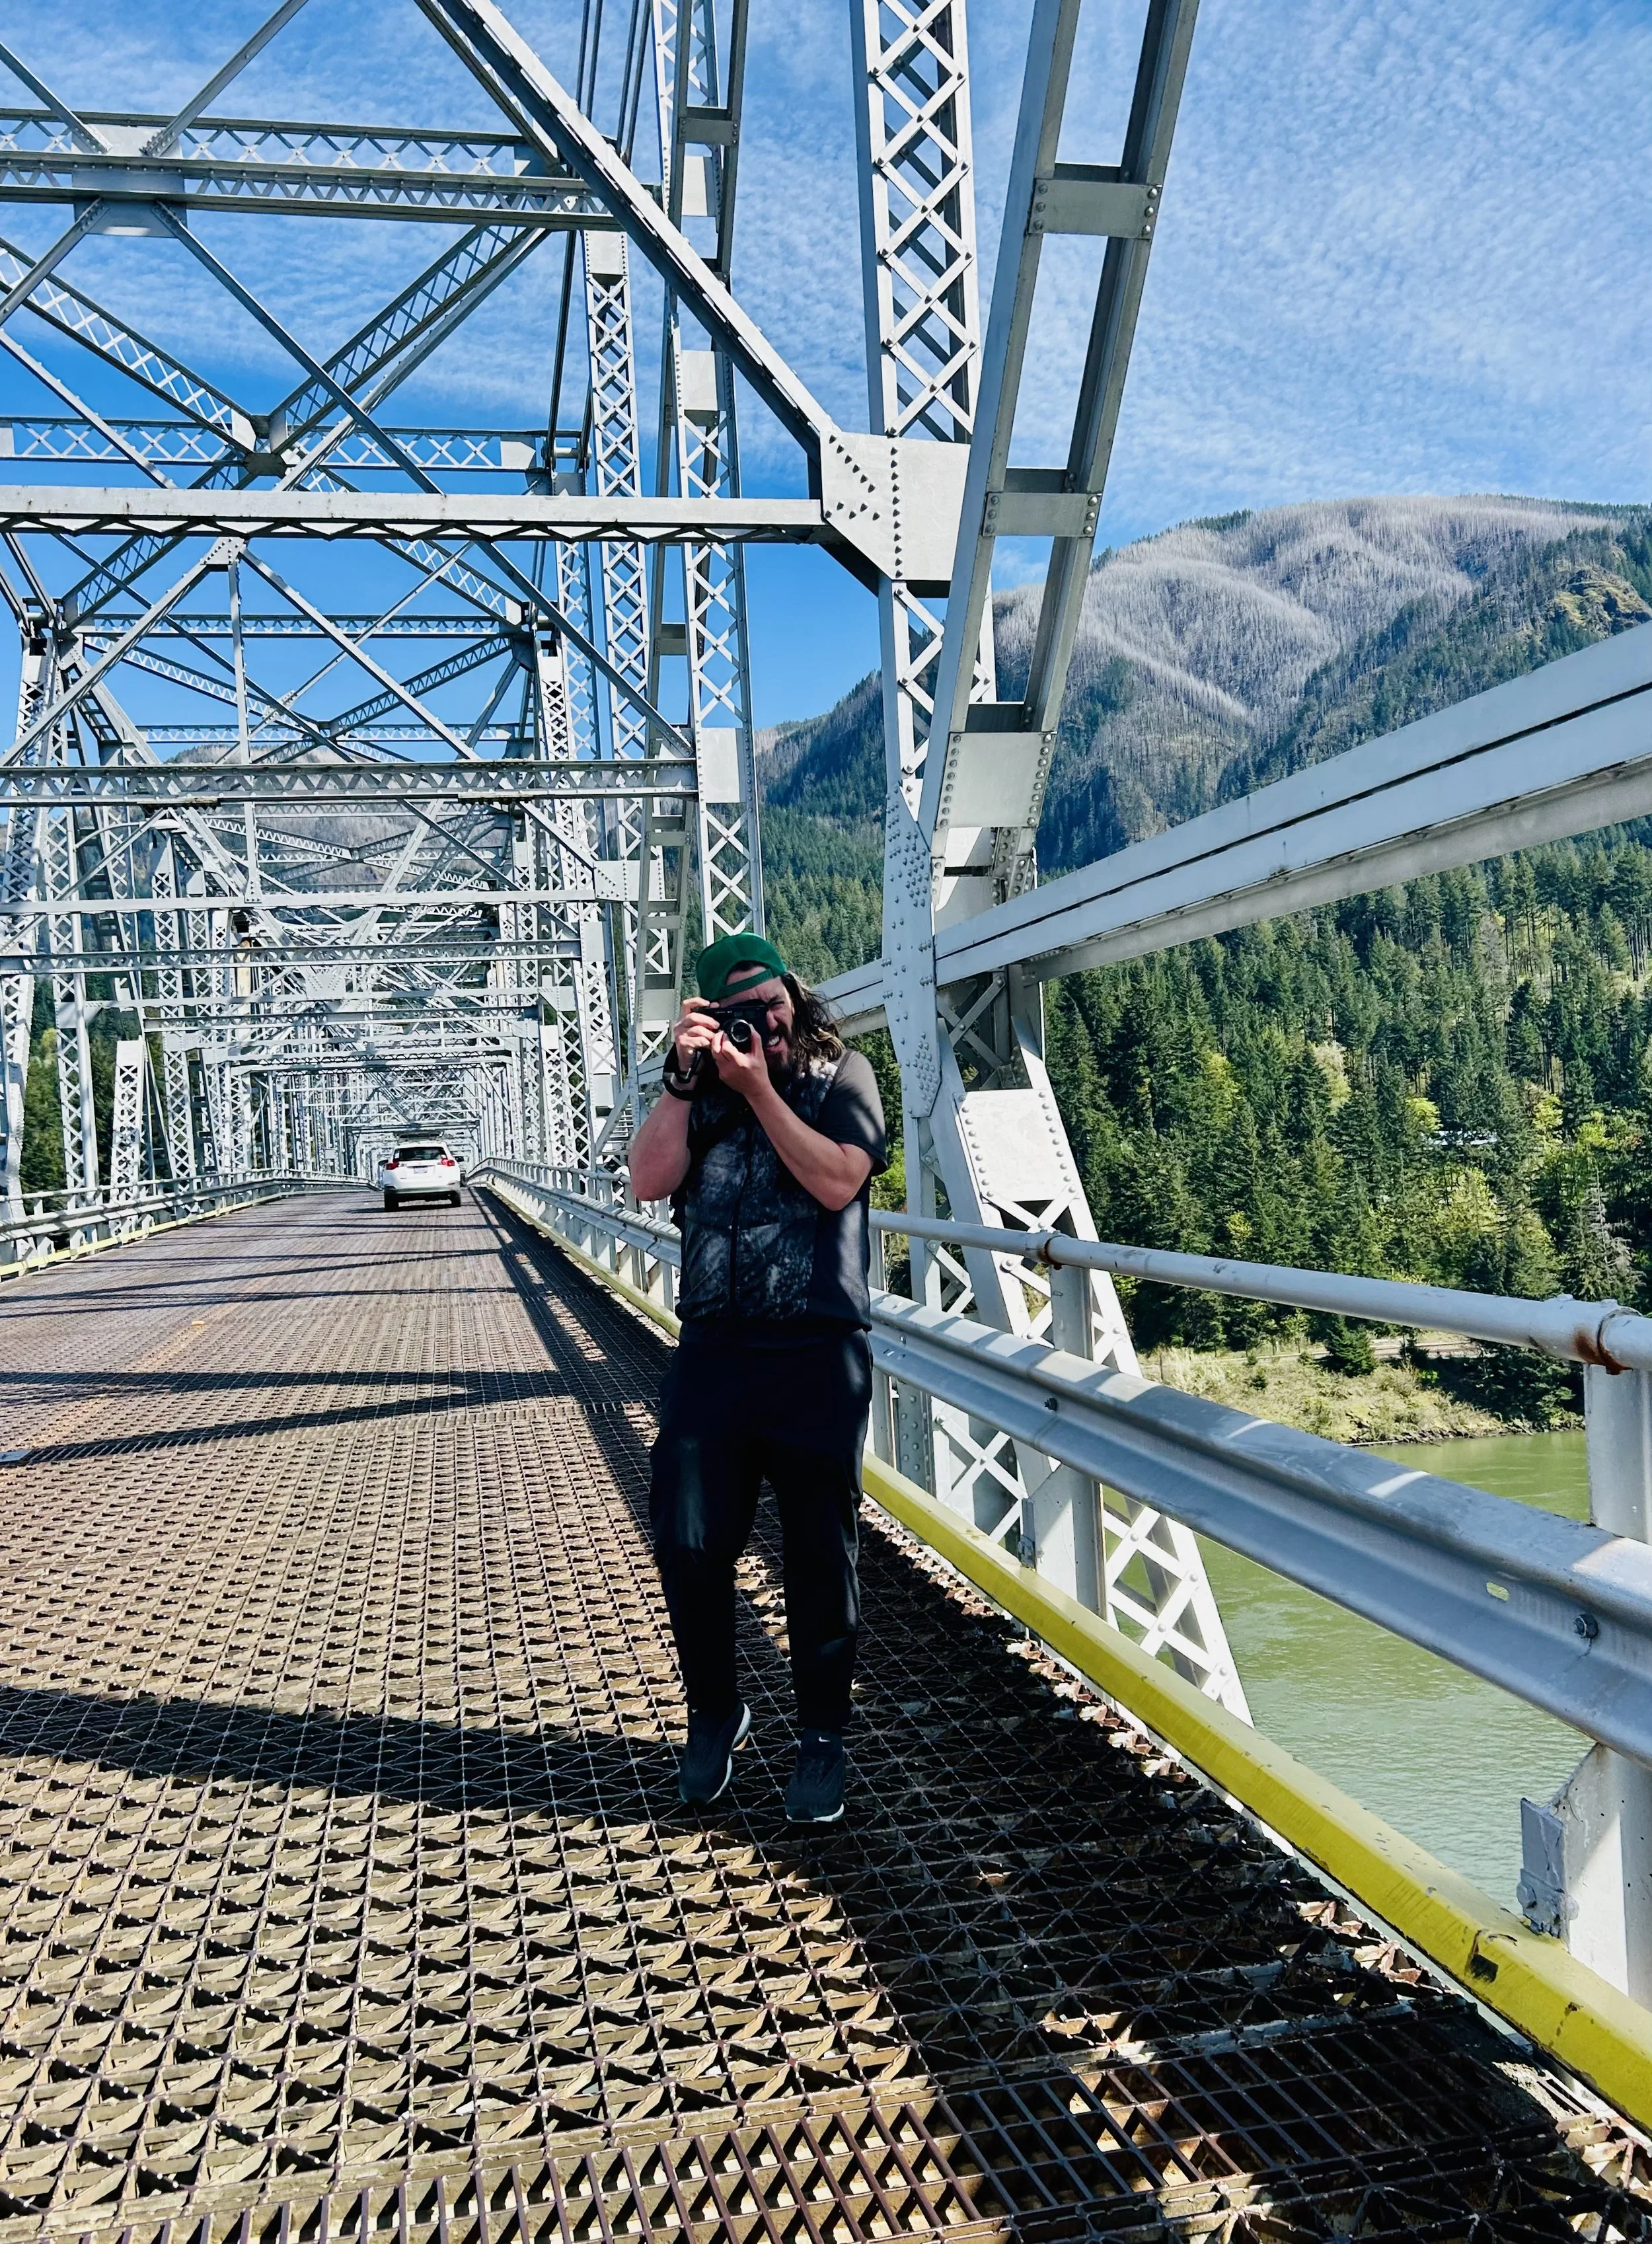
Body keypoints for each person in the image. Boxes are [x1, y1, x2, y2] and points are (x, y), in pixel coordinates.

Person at [628, 932, 887, 1823]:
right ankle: (714, 1713)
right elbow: (648, 1179)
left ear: (795, 998)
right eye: (737, 1014)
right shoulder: (696, 1091)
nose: (761, 1024)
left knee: (820, 1554)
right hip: (716, 1349)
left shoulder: (840, 1076)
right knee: (688, 1540)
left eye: (771, 1004)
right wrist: (681, 1080)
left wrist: (759, 1092)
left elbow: (838, 1180)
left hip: (817, 1351)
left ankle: (821, 1737)